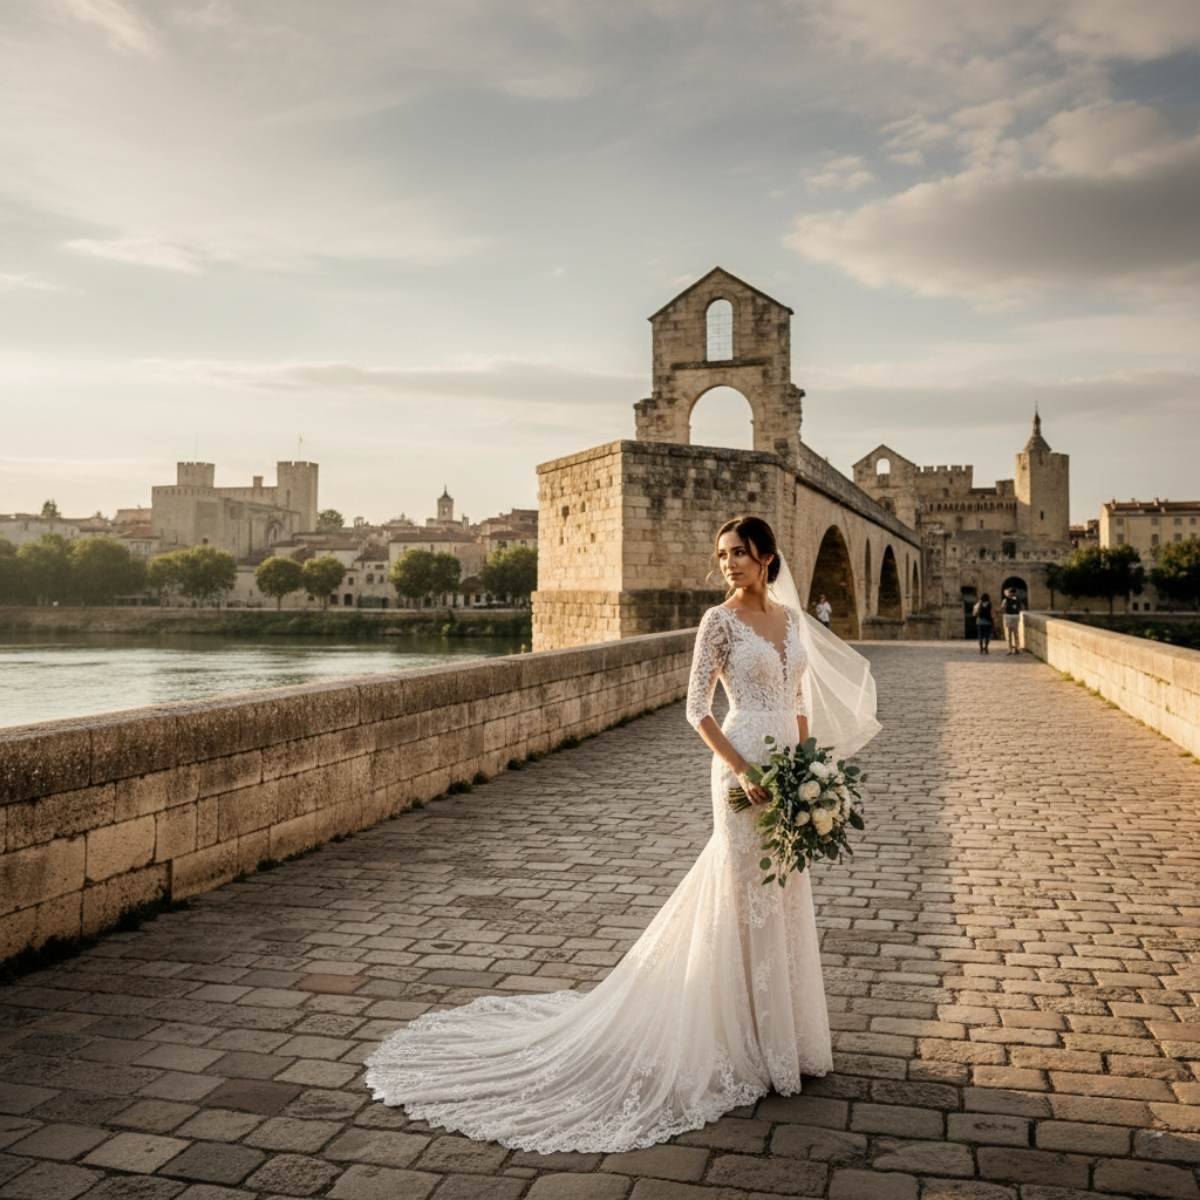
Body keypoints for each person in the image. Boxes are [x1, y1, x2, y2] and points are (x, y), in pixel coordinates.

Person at [364, 514, 881, 1152]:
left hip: (789, 769)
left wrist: (808, 768)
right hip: (740, 768)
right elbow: (698, 710)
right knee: (742, 894)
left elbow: (799, 704)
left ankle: (788, 1042)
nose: (728, 565)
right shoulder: (716, 623)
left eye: (740, 554)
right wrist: (744, 772)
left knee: (785, 896)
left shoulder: (794, 622)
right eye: (721, 555)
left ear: (769, 558)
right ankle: (738, 1040)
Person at [1000, 586, 1024, 654]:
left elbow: (1003, 608)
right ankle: (1017, 648)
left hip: (1008, 617)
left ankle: (1010, 649)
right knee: (1016, 633)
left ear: (1009, 593)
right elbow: (1022, 607)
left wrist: (1000, 611)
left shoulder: (1005, 600)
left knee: (1009, 634)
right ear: (1015, 593)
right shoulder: (1018, 599)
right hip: (1016, 617)